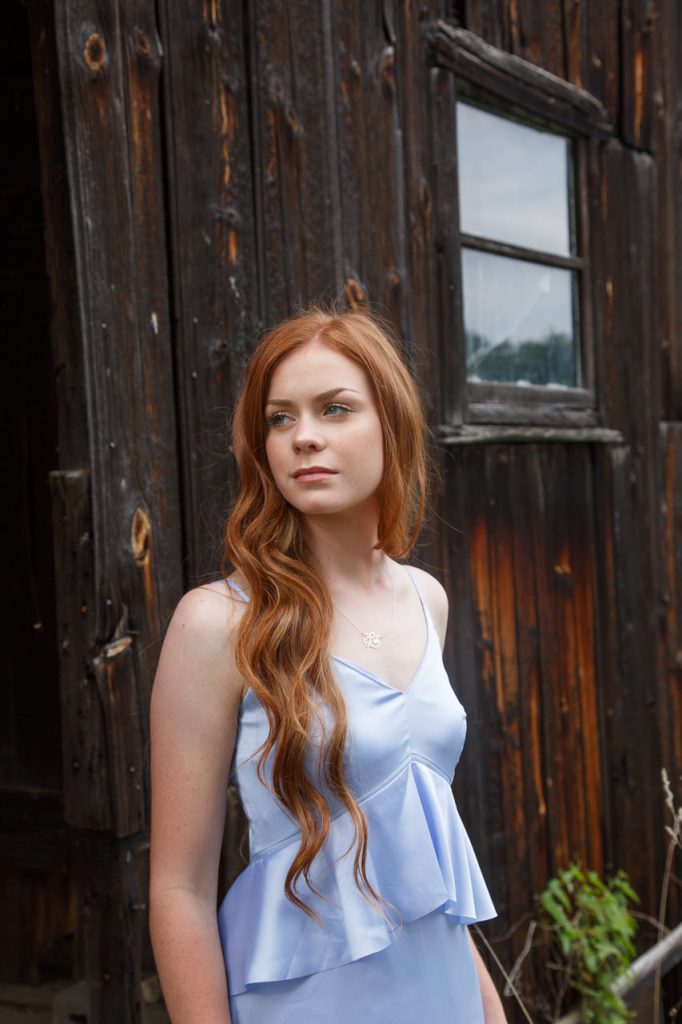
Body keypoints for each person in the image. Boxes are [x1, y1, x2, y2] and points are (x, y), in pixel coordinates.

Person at [149, 306, 508, 1024]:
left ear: (392, 424)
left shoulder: (424, 599)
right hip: (307, 1002)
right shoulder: (219, 622)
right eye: (280, 419)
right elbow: (179, 888)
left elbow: (418, 851)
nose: (303, 436)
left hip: (442, 992)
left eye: (334, 409)